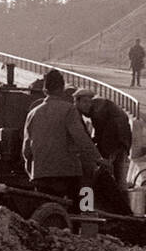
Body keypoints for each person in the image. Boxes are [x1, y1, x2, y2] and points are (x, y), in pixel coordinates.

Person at [22, 69, 103, 207]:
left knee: (45, 207)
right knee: (86, 189)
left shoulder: (33, 113)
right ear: (62, 88)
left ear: (45, 89)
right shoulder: (69, 110)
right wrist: (99, 159)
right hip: (67, 173)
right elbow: (81, 139)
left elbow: (26, 150)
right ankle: (87, 217)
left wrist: (32, 172)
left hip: (40, 174)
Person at [73, 88, 133, 190]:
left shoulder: (98, 110)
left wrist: (97, 151)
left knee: (110, 169)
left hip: (116, 140)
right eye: (84, 102)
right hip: (122, 139)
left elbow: (104, 134)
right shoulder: (100, 106)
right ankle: (120, 195)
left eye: (88, 102)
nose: (87, 105)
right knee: (118, 171)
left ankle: (114, 195)